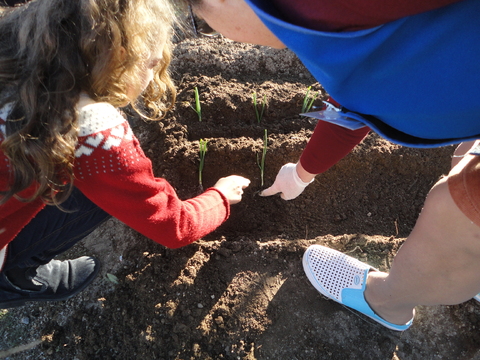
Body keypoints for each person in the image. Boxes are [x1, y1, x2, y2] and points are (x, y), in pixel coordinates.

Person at [183, 0, 480, 331]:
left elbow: (363, 88)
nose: (215, 33)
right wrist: (301, 173)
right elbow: (368, 86)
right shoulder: (336, 17)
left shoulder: (328, 9)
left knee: (458, 208)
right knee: (466, 156)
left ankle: (388, 302)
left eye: (202, 22)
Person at [0, 0, 250, 309]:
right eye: (153, 63)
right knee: (99, 190)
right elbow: (174, 226)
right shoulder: (91, 130)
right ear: (121, 57)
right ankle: (13, 279)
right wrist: (221, 196)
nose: (155, 73)